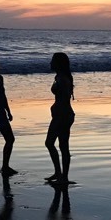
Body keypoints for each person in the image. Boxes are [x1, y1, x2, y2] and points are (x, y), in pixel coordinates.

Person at [45, 52, 74, 184]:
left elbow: (64, 98)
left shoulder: (62, 79)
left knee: (51, 143)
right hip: (64, 114)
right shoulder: (61, 77)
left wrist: (57, 111)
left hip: (62, 115)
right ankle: (62, 175)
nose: (50, 63)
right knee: (63, 146)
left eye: (53, 61)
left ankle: (61, 175)